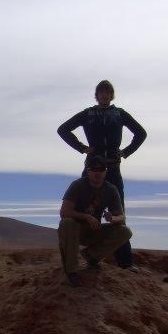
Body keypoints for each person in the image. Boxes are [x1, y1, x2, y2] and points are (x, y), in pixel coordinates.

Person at [57, 80, 146, 272]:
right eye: (101, 92)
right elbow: (63, 130)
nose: (105, 95)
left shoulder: (119, 114)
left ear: (112, 95)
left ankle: (124, 263)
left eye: (108, 92)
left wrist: (126, 151)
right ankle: (73, 261)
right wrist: (82, 148)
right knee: (81, 209)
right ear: (96, 95)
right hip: (92, 166)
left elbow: (141, 133)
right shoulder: (88, 114)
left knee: (119, 213)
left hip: (112, 168)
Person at [58, 156, 132, 287]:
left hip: (94, 230)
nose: (97, 172)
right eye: (94, 169)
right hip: (75, 232)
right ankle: (71, 271)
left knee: (125, 232)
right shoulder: (77, 185)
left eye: (101, 169)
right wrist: (86, 217)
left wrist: (113, 218)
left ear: (105, 171)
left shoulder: (111, 189)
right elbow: (64, 212)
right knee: (67, 222)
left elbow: (122, 217)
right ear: (88, 171)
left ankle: (92, 256)